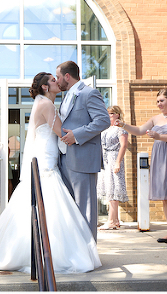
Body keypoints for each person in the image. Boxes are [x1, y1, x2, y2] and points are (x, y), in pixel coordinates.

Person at [0, 72, 101, 273]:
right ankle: (49, 252)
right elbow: (61, 132)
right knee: (48, 200)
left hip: (48, 155)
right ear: (46, 87)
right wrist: (82, 131)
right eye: (53, 80)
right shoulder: (46, 105)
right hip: (46, 160)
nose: (57, 82)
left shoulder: (44, 103)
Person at [117, 89, 167, 244]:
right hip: (160, 159)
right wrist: (123, 125)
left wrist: (159, 136)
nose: (159, 104)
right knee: (166, 198)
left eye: (162, 100)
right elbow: (139, 130)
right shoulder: (155, 118)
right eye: (157, 101)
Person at [56, 61, 111, 241]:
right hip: (64, 159)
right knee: (70, 209)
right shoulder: (65, 97)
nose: (57, 82)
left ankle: (88, 254)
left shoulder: (89, 93)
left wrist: (77, 135)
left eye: (58, 77)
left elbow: (103, 120)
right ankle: (75, 251)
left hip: (83, 159)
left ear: (67, 76)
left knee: (85, 209)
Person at [97, 106, 129, 230]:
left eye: (111, 113)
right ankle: (115, 220)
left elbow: (124, 145)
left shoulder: (120, 129)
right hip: (105, 160)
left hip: (114, 158)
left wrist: (118, 162)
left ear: (117, 115)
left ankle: (110, 220)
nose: (108, 115)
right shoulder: (106, 129)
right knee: (109, 188)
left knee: (114, 188)